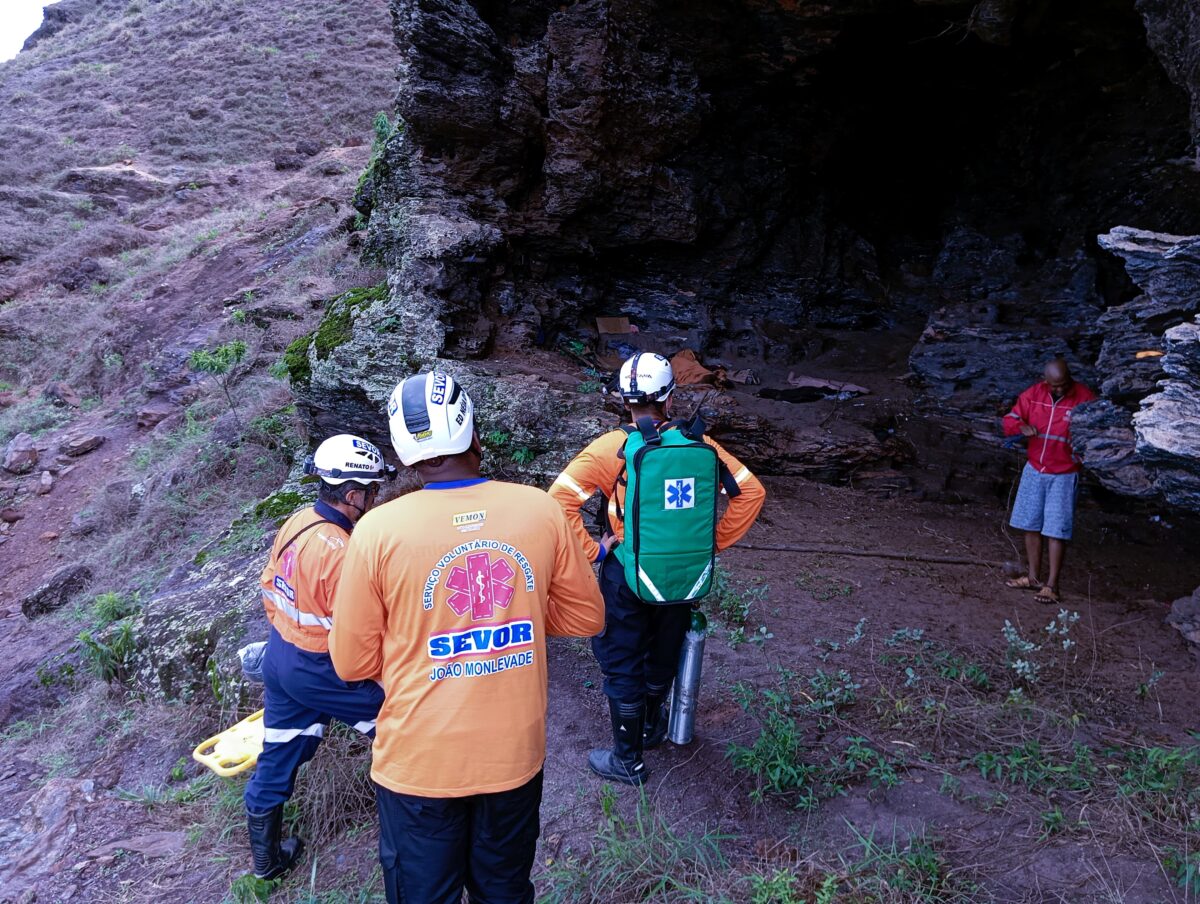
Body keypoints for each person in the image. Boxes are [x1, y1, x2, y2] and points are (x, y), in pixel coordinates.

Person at [329, 371, 604, 904]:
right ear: (475, 434)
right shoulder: (539, 509)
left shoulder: (377, 531)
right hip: (512, 756)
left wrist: (425, 635)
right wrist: (510, 619)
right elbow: (585, 618)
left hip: (418, 763)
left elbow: (350, 662)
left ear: (404, 455)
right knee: (503, 890)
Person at [549, 352, 766, 785]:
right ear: (670, 397)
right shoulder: (701, 445)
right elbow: (751, 493)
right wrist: (710, 544)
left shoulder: (613, 448)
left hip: (626, 572)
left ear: (624, 401)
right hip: (684, 573)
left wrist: (594, 551)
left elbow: (559, 500)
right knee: (663, 653)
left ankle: (627, 759)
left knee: (622, 658)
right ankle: (651, 726)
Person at [244, 434, 392, 879]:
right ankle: (422, 819)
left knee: (279, 754)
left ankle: (267, 862)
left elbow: (270, 586)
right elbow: (366, 631)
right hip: (322, 667)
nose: (374, 498)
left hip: (281, 657)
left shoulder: (297, 521)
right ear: (353, 495)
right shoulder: (343, 554)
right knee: (400, 726)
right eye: (372, 491)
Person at [1002, 358, 1096, 605]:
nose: (1059, 390)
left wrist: (1080, 456)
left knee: (1056, 529)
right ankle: (1033, 578)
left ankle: (1052, 586)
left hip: (1064, 473)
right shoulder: (1033, 394)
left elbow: (1096, 434)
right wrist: (1020, 426)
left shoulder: (1085, 399)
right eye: (1054, 386)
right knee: (1030, 524)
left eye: (1063, 384)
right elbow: (1009, 419)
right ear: (1046, 381)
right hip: (1035, 468)